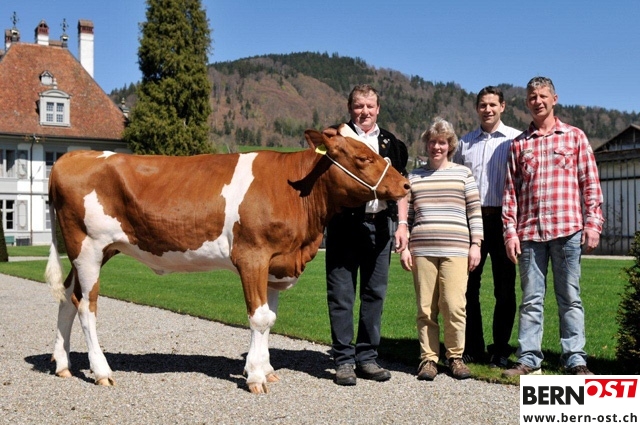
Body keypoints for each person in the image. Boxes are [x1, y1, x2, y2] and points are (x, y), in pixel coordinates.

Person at [501, 76, 604, 376]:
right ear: (527, 102)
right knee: (531, 300)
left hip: (567, 230)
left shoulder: (574, 137)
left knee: (569, 297)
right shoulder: (519, 144)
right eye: (532, 97)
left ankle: (575, 359)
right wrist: (510, 232)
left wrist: (593, 224)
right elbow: (510, 193)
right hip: (530, 233)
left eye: (543, 96)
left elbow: (590, 184)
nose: (538, 101)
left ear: (554, 99)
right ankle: (528, 359)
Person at [326, 84, 408, 386]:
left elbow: (400, 185)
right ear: (350, 108)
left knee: (374, 293)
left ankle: (367, 358)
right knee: (342, 294)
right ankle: (344, 361)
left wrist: (402, 224)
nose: (365, 112)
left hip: (381, 224)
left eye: (370, 106)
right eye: (359, 106)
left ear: (378, 109)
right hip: (345, 224)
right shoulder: (336, 139)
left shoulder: (391, 143)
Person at [396, 117, 483, 380]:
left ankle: (455, 357)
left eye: (442, 142)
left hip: (456, 249)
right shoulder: (414, 177)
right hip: (422, 250)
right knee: (425, 308)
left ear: (450, 146)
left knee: (454, 306)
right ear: (426, 144)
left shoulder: (463, 174)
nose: (437, 147)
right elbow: (406, 217)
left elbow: (474, 211)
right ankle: (428, 359)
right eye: (432, 142)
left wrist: (476, 244)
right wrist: (404, 248)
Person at [453, 86, 522, 368]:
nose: (488, 109)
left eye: (493, 104)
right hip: (473, 220)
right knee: (468, 287)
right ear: (477, 108)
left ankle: (500, 349)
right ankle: (473, 346)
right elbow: (456, 181)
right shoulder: (465, 143)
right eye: (483, 105)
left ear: (503, 106)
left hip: (505, 220)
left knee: (504, 289)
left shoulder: (516, 139)